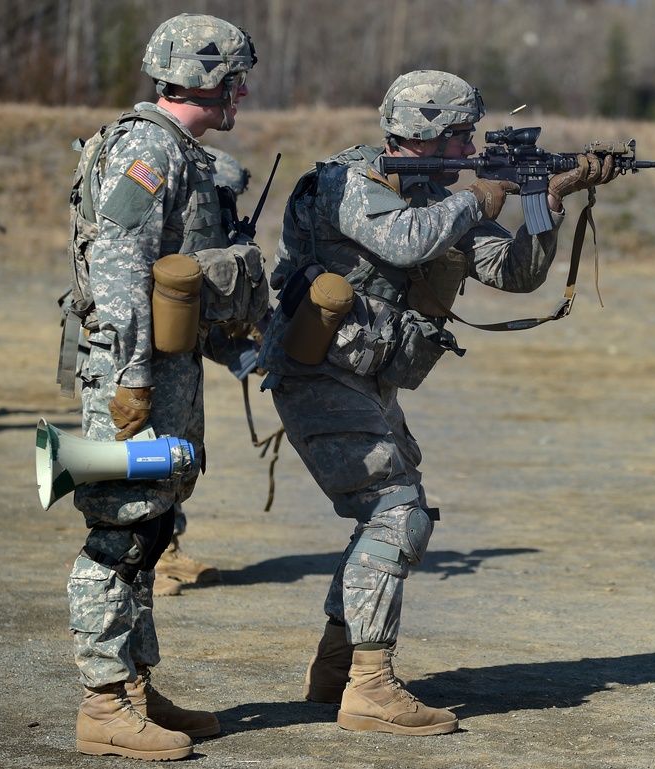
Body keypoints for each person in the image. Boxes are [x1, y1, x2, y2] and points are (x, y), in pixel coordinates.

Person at [257, 70, 620, 736]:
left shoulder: (436, 196)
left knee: (395, 509)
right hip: (316, 374)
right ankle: (369, 686)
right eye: (462, 133)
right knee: (395, 513)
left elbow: (516, 272)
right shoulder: (349, 184)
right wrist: (485, 194)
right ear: (428, 130)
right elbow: (410, 240)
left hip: (364, 377)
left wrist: (546, 198)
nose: (471, 143)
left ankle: (337, 668)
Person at [65, 14, 265, 761]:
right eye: (234, 79)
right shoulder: (149, 150)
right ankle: (103, 701)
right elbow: (119, 263)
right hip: (135, 378)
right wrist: (128, 381)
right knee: (118, 533)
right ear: (204, 79)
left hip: (165, 373)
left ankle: (136, 686)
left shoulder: (180, 151)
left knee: (150, 530)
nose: (241, 93)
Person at [152, 146, 252, 596]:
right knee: (149, 454)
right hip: (145, 353)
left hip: (174, 351)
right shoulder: (169, 230)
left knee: (178, 452)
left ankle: (164, 548)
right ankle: (149, 562)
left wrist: (243, 352)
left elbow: (199, 313)